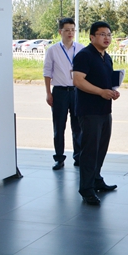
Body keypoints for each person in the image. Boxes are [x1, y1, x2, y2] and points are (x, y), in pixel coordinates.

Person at [73, 21, 120, 205]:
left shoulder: (106, 57)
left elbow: (106, 82)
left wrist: (112, 92)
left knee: (101, 148)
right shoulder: (84, 55)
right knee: (90, 151)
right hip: (89, 111)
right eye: (102, 34)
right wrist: (101, 92)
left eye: (109, 34)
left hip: (104, 110)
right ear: (92, 37)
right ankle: (86, 189)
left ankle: (96, 179)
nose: (106, 38)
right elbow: (78, 80)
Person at [43, 17, 83, 170]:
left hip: (76, 91)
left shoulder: (80, 49)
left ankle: (78, 156)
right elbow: (47, 72)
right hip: (60, 92)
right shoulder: (53, 50)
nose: (70, 33)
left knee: (78, 126)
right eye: (67, 30)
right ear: (60, 32)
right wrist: (48, 93)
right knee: (59, 126)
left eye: (73, 30)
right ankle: (59, 158)